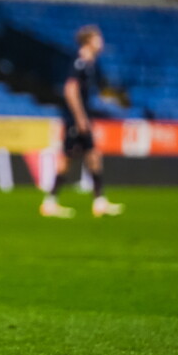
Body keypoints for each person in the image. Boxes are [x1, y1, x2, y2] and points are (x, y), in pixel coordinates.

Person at [40, 25, 124, 219]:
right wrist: (80, 119)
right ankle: (50, 201)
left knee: (92, 155)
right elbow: (70, 90)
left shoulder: (90, 64)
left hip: (81, 119)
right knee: (68, 159)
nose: (101, 42)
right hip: (76, 120)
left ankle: (99, 201)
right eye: (98, 38)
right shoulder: (79, 63)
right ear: (88, 41)